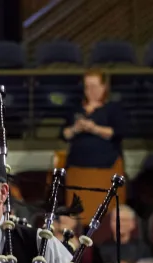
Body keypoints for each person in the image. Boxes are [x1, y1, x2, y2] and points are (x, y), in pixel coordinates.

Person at [60, 68, 124, 217]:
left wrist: (94, 128)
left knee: (103, 212)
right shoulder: (75, 108)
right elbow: (64, 133)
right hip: (77, 168)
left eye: (94, 87)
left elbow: (118, 132)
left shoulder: (113, 109)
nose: (91, 91)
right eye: (87, 87)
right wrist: (76, 128)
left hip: (105, 167)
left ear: (104, 87)